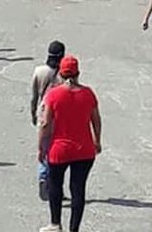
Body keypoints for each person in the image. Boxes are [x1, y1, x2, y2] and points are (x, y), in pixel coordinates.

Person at [38, 56, 102, 232]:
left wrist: (41, 147)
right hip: (84, 150)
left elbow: (45, 124)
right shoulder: (88, 93)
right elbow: (96, 120)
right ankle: (74, 229)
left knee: (55, 185)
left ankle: (55, 223)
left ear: (60, 73)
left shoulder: (54, 95)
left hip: (60, 149)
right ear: (78, 73)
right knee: (78, 189)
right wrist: (97, 140)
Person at [31, 41, 66, 201]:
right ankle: (56, 185)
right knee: (57, 150)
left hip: (42, 112)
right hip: (58, 116)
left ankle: (43, 176)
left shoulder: (39, 71)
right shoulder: (63, 75)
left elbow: (34, 97)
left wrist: (33, 113)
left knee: (43, 147)